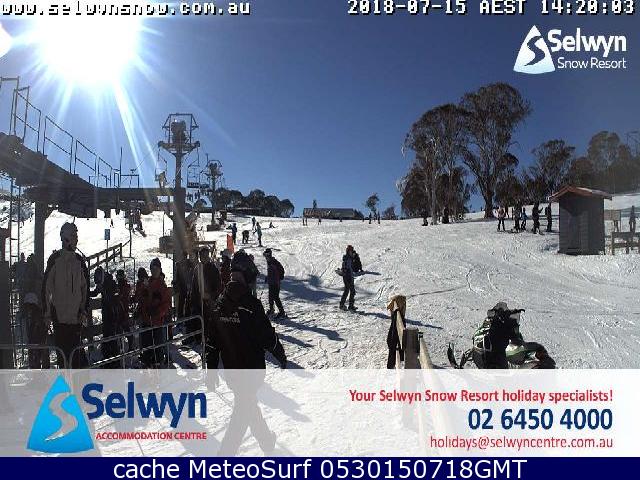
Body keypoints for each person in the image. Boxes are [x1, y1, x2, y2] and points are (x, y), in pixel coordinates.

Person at [206, 250, 287, 455]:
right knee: (241, 415)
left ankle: (267, 441)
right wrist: (280, 353)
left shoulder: (220, 303)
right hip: (251, 371)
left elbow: (212, 341)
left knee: (248, 405)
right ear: (245, 275)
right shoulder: (251, 305)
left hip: (232, 372)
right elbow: (267, 335)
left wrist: (211, 369)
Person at [42, 222, 89, 368]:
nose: (76, 240)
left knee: (76, 358)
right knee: (63, 358)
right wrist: (47, 313)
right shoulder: (55, 260)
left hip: (76, 319)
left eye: (76, 236)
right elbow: (46, 287)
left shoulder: (79, 261)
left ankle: (76, 382)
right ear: (66, 238)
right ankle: (65, 382)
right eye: (74, 236)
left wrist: (83, 310)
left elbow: (85, 289)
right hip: (60, 319)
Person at [140, 259, 171, 367]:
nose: (154, 271)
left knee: (157, 350)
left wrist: (157, 312)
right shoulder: (146, 283)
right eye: (152, 269)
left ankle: (158, 367)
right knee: (146, 349)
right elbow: (142, 299)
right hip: (146, 322)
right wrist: (139, 310)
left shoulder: (162, 286)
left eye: (156, 269)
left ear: (160, 269)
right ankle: (147, 366)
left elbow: (166, 304)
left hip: (157, 323)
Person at [188, 247, 222, 344]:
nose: (205, 257)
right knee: (198, 321)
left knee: (209, 322)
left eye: (206, 255)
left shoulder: (213, 269)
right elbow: (194, 286)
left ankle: (209, 340)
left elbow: (218, 286)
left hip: (210, 302)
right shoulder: (197, 268)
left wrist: (211, 296)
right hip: (198, 302)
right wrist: (192, 301)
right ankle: (198, 338)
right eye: (202, 256)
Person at [90, 266, 119, 367]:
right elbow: (95, 292)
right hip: (106, 313)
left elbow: (111, 299)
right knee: (106, 336)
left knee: (111, 337)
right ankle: (107, 359)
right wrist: (86, 293)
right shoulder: (102, 283)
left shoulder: (111, 283)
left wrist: (105, 292)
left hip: (112, 314)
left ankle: (115, 361)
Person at [24, 292, 49, 369]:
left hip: (37, 344)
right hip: (37, 344)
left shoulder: (37, 316)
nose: (26, 308)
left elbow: (38, 331)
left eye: (27, 305)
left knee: (37, 365)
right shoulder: (34, 315)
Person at [115, 269, 133, 353]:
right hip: (121, 311)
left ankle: (129, 346)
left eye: (120, 276)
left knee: (124, 329)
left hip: (123, 310)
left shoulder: (123, 286)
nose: (119, 278)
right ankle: (123, 348)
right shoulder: (122, 286)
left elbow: (122, 297)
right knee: (122, 330)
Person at [263, 248, 285, 318]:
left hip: (275, 283)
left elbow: (279, 271)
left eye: (266, 256)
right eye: (265, 256)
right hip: (271, 282)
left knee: (276, 297)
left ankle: (282, 312)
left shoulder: (274, 262)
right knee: (270, 297)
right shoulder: (269, 262)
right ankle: (271, 309)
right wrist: (268, 277)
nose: (266, 258)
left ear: (269, 255)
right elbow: (271, 272)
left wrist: (278, 278)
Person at [174, 251, 194, 320]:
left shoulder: (189, 264)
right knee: (181, 303)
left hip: (188, 287)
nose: (184, 258)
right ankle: (180, 317)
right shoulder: (179, 265)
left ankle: (186, 317)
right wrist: (176, 284)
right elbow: (178, 277)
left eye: (184, 256)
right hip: (182, 287)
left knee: (187, 303)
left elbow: (191, 274)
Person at [339, 245, 356, 311]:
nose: (352, 252)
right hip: (348, 277)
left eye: (352, 251)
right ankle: (350, 306)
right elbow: (347, 268)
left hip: (347, 276)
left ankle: (343, 305)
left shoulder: (348, 258)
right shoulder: (348, 259)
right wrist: (348, 276)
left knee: (348, 291)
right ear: (348, 251)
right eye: (351, 251)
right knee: (351, 291)